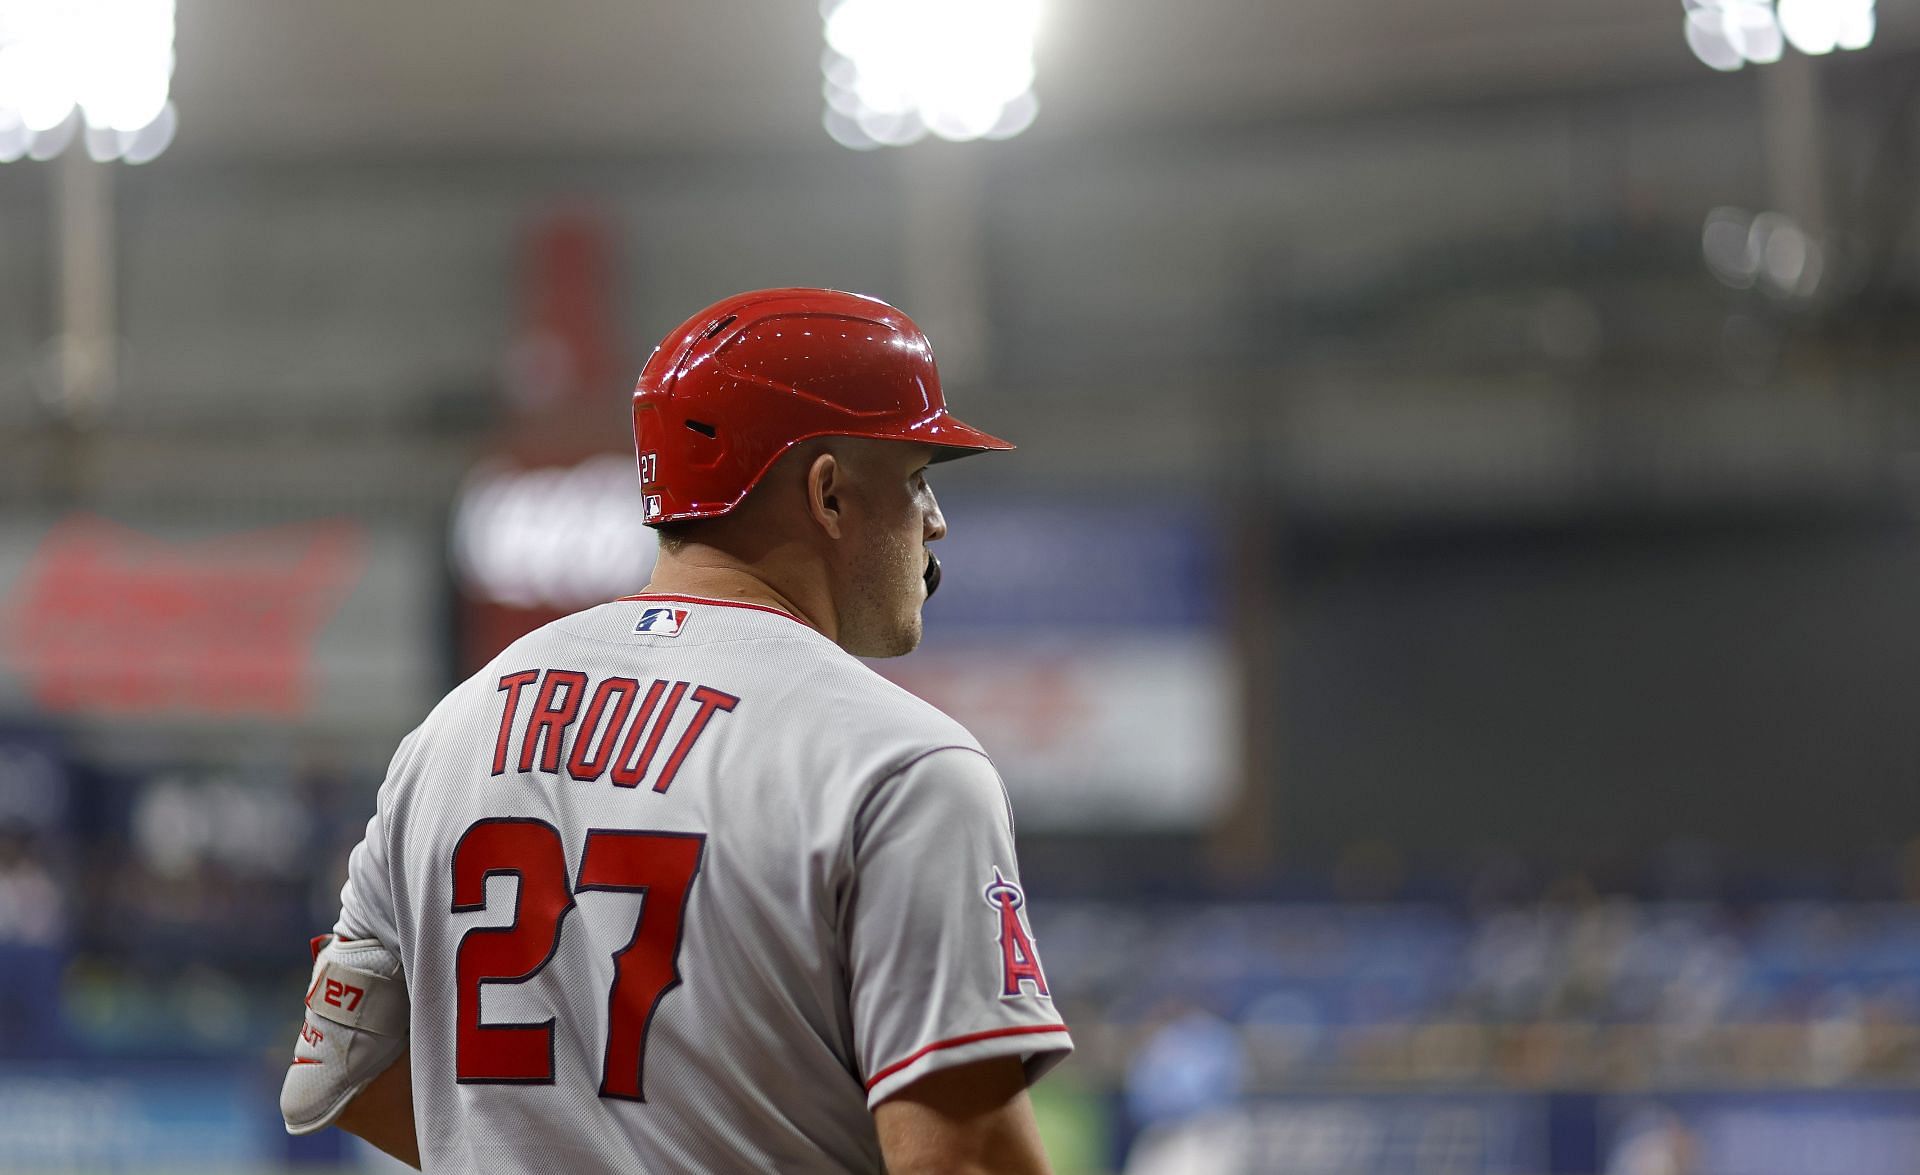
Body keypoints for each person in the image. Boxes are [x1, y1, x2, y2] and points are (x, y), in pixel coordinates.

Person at [280, 288, 1071, 1172]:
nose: (935, 520)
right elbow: (963, 1159)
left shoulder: (452, 732)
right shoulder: (901, 763)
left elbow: (337, 1071)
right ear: (829, 492)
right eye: (917, 477)